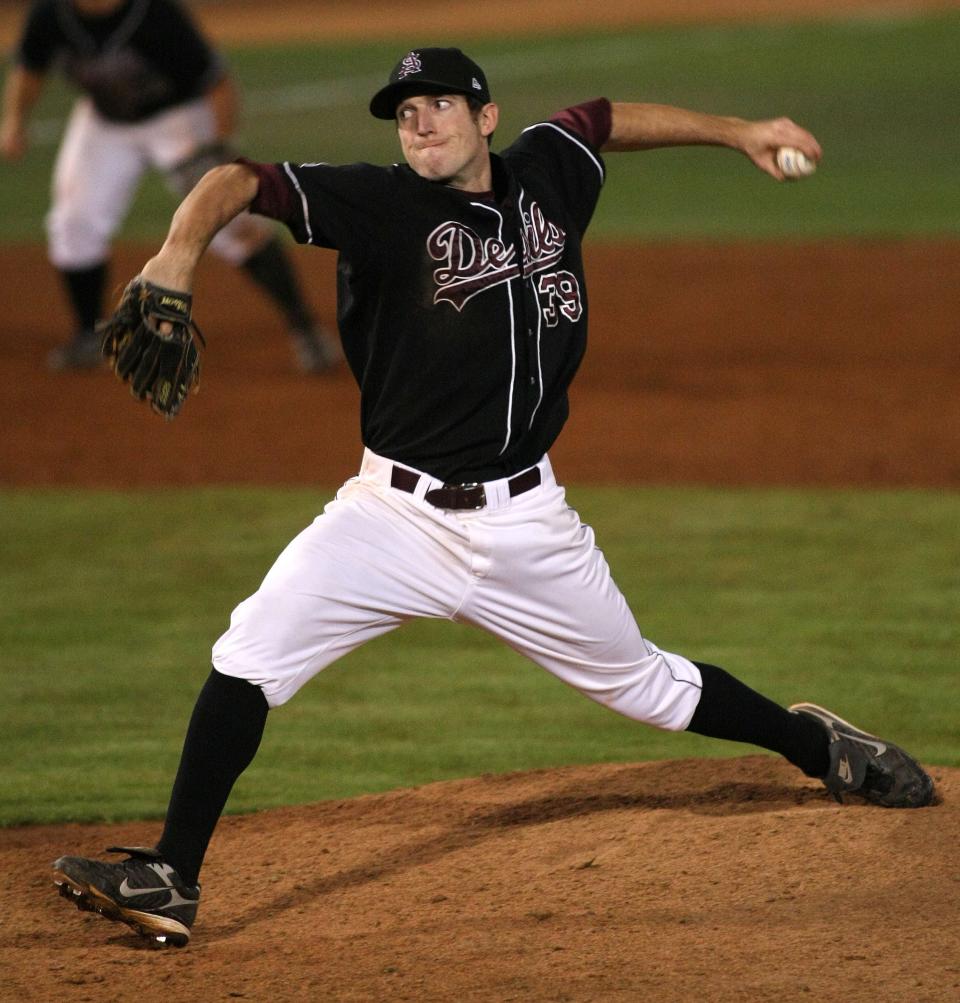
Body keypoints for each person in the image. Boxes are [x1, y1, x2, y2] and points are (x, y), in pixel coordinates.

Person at [50, 46, 935, 948]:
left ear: (486, 117)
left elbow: (603, 117)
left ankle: (820, 746)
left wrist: (742, 131)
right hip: (389, 517)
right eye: (404, 113)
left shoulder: (549, 173)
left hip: (527, 524)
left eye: (438, 105)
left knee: (645, 685)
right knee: (250, 652)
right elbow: (237, 178)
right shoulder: (380, 204)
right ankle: (171, 875)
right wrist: (176, 253)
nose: (420, 123)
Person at [0, 0, 340, 373]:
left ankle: (305, 328)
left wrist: (217, 150)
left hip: (178, 120)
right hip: (105, 124)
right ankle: (88, 335)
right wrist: (15, 120)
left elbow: (218, 84)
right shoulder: (50, 14)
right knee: (74, 221)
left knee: (232, 223)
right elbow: (30, 68)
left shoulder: (155, 14)